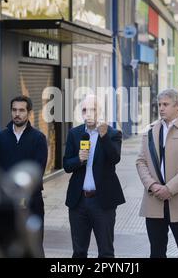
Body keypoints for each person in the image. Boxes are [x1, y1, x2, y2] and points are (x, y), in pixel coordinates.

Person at [136, 88, 178, 258]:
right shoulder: (150, 130)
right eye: (159, 104)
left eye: (165, 104)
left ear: (177, 106)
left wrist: (169, 188)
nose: (161, 108)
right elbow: (141, 161)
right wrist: (152, 185)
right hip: (154, 201)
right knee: (156, 252)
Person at [63, 95, 125, 258]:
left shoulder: (113, 134)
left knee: (105, 252)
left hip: (102, 202)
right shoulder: (74, 134)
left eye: (93, 110)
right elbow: (66, 165)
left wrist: (103, 137)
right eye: (85, 110)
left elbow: (115, 159)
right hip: (78, 202)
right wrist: (79, 159)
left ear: (100, 112)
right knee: (79, 252)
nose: (88, 114)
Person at [0, 95, 48, 257]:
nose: (17, 114)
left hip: (32, 203)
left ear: (29, 113)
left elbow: (37, 171)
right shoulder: (0, 137)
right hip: (6, 204)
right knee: (7, 247)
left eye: (21, 110)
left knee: (33, 248)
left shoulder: (38, 138)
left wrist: (22, 197)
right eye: (14, 110)